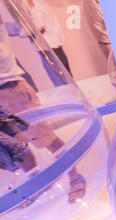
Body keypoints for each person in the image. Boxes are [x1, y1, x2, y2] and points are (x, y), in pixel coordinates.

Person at [0, 14, 86, 203]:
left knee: (46, 138)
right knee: (17, 150)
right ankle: (36, 184)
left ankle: (74, 176)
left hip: (12, 89)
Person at [22, 0, 73, 84]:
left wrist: (21, 32)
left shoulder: (30, 1)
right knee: (65, 77)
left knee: (61, 79)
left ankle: (73, 96)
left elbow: (38, 23)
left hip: (48, 45)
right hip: (52, 43)